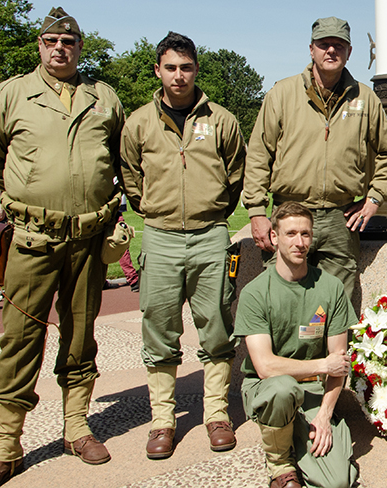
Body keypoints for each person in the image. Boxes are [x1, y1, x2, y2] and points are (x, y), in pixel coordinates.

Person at [0, 7, 125, 488]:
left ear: (80, 47)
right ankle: (4, 446)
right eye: (51, 41)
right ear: (40, 45)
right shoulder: (11, 93)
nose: (60, 48)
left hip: (88, 238)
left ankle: (76, 428)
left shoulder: (103, 97)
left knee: (80, 334)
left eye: (69, 42)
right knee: (20, 339)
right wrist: (23, 189)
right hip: (32, 239)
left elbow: (120, 153)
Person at [120, 32, 247, 459]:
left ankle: (216, 415)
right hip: (160, 236)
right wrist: (155, 210)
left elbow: (236, 175)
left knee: (216, 324)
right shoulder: (138, 122)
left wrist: (211, 211)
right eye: (170, 67)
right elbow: (131, 178)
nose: (179, 75)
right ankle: (162, 421)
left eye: (186, 67)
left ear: (196, 70)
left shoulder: (223, 120)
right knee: (159, 328)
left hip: (211, 235)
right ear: (158, 71)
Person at [243, 17, 387, 301]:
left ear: (349, 52)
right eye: (324, 45)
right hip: (289, 213)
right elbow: (258, 154)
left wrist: (374, 198)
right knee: (282, 300)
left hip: (340, 220)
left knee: (335, 305)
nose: (331, 51)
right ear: (311, 49)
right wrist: (256, 212)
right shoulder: (282, 94)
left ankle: (333, 348)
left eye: (338, 45)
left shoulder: (364, 98)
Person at [235, 201, 358, 488]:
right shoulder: (255, 293)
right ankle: (280, 466)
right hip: (268, 389)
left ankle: (297, 432)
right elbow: (265, 367)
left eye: (305, 234)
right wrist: (321, 365)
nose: (299, 242)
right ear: (275, 238)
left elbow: (338, 363)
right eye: (290, 234)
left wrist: (326, 415)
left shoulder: (331, 287)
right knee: (282, 388)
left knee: (338, 481)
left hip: (315, 391)